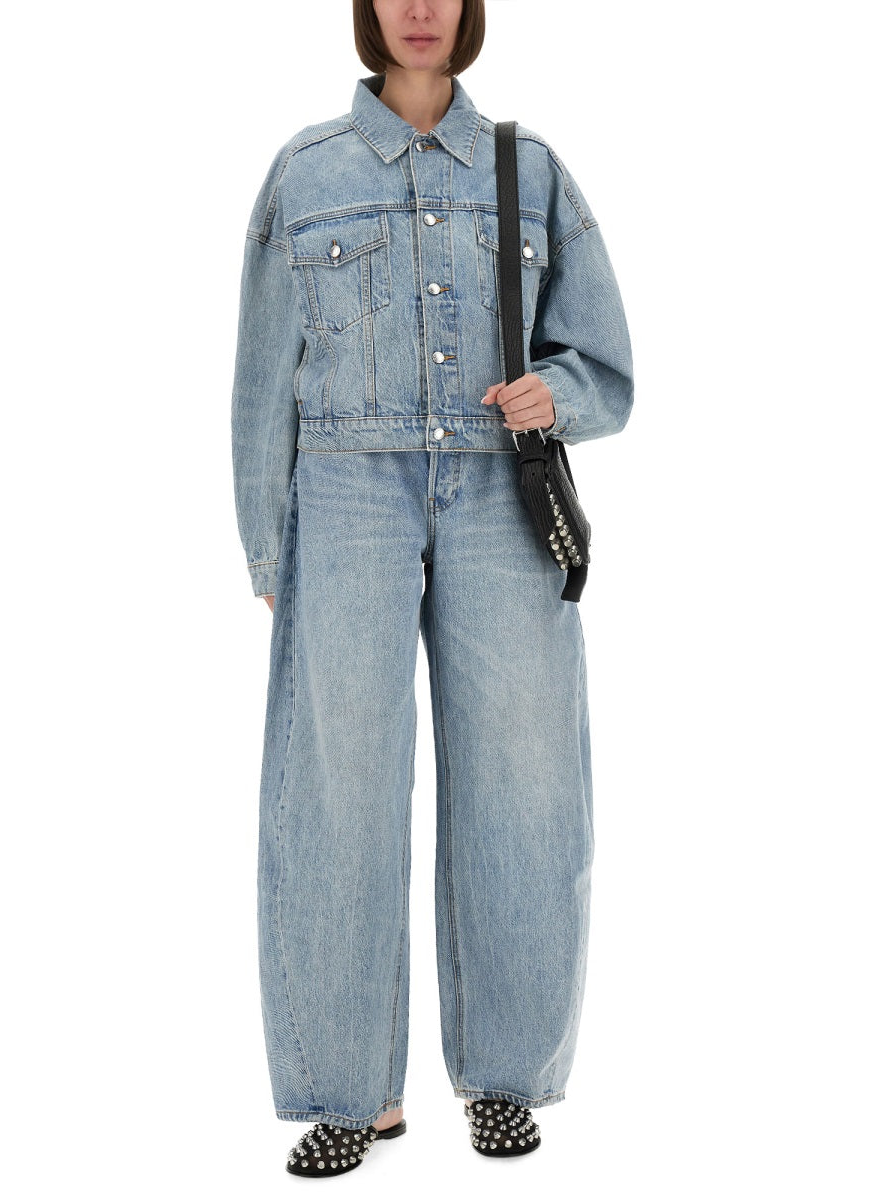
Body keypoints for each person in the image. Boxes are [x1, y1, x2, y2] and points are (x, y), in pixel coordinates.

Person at [230, 0, 633, 1177]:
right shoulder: (305, 172)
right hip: (345, 493)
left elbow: (604, 362)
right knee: (337, 791)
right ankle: (349, 1091)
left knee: (524, 780)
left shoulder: (531, 168)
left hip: (502, 490)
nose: (419, 9)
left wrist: (558, 394)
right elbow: (260, 374)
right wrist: (268, 547)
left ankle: (503, 1078)